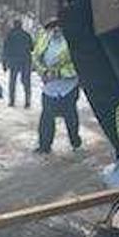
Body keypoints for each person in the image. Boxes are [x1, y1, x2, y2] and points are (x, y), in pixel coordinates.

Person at [31, 19, 82, 154]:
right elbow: (35, 58)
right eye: (51, 27)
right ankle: (44, 145)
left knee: (70, 115)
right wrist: (44, 72)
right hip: (50, 88)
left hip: (68, 87)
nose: (55, 30)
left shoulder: (73, 41)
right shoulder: (43, 41)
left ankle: (75, 141)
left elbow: (79, 64)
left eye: (58, 26)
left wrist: (59, 73)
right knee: (46, 117)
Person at [0, 20, 33, 108]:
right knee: (26, 82)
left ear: (14, 25)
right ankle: (27, 101)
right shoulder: (26, 35)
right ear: (21, 25)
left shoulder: (9, 35)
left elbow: (5, 50)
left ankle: (11, 101)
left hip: (13, 62)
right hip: (25, 61)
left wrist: (4, 63)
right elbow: (32, 48)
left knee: (12, 82)